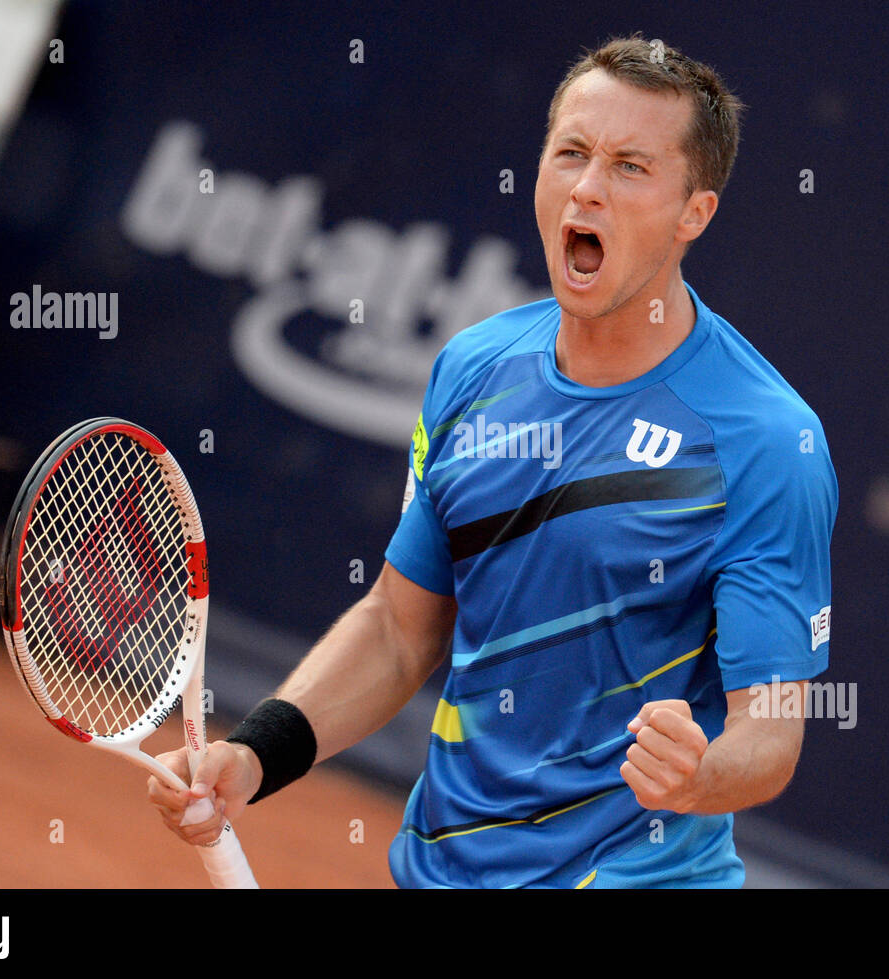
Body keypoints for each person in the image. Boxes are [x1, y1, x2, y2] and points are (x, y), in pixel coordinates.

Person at [149, 34, 837, 888]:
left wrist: (700, 774)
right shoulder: (471, 368)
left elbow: (770, 732)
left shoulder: (767, 440)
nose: (587, 188)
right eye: (572, 154)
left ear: (695, 212)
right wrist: (257, 753)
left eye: (630, 167)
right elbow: (402, 628)